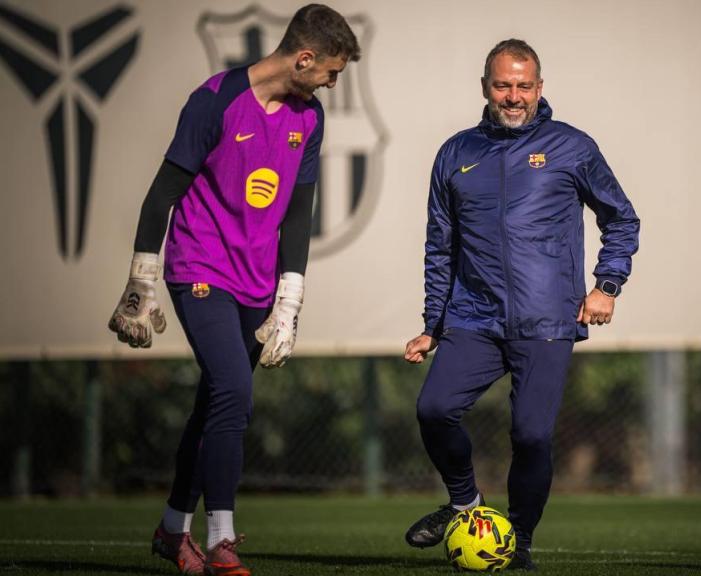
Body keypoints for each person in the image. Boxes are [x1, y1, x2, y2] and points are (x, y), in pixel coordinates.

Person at [106, 5, 359, 575]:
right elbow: (161, 193)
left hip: (256, 282)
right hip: (198, 267)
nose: (333, 84)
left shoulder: (310, 119)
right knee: (235, 395)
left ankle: (173, 530)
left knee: (214, 406)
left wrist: (289, 298)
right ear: (303, 58)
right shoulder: (215, 99)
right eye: (331, 72)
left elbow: (299, 214)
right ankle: (221, 539)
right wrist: (141, 279)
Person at [402, 39, 640, 571]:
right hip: (473, 319)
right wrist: (432, 325)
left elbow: (622, 219)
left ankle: (521, 542)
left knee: (531, 434)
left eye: (523, 86)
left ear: (540, 88)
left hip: (547, 319)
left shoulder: (572, 146)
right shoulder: (456, 153)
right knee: (434, 409)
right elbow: (440, 246)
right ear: (485, 86)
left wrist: (608, 285)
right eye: (503, 85)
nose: (514, 96)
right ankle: (467, 504)